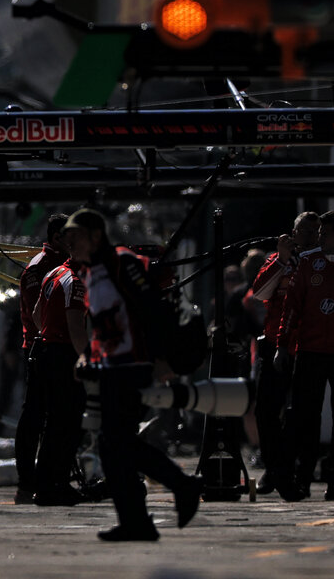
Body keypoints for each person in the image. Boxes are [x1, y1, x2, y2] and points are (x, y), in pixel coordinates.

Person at [62, 207, 203, 542]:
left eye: (76, 237)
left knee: (119, 443)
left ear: (96, 236)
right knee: (114, 448)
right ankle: (136, 521)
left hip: (133, 366)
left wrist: (160, 358)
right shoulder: (91, 272)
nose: (71, 244)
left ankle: (181, 486)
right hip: (112, 367)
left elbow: (151, 311)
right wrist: (89, 358)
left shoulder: (122, 263)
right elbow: (106, 324)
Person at [244, 210, 320, 495]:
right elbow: (260, 293)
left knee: (300, 413)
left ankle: (292, 471)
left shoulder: (323, 263)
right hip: (276, 343)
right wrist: (282, 259)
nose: (309, 238)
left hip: (310, 346)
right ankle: (274, 468)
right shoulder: (278, 261)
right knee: (265, 410)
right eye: (304, 232)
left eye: (315, 232)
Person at [272, 210, 334, 502]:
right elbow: (291, 308)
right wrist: (282, 346)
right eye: (319, 233)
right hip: (310, 352)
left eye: (326, 233)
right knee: (303, 418)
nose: (320, 237)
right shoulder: (310, 263)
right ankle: (300, 480)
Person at [13, 212, 71, 505]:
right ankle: (28, 482)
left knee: (58, 416)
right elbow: (37, 316)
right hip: (41, 348)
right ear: (58, 237)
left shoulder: (68, 265)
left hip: (60, 347)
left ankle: (54, 477)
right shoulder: (40, 268)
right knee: (35, 415)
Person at [30, 244, 89, 505]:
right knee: (69, 423)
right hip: (65, 355)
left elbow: (35, 315)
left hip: (46, 351)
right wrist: (88, 358)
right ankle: (60, 483)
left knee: (52, 423)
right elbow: (76, 327)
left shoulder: (52, 274)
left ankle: (44, 485)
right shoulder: (75, 283)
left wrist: (50, 334)